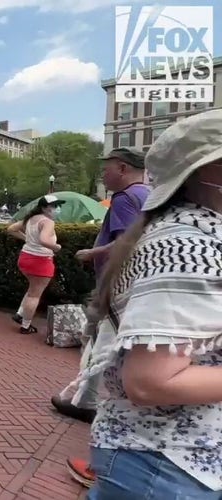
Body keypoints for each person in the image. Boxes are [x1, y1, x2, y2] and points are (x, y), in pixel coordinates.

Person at [60, 109, 222, 498]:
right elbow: (150, 379)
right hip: (169, 462)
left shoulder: (155, 218)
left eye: (108, 167)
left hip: (170, 458)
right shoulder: (186, 242)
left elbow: (122, 246)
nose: (103, 173)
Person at [52, 148, 150, 486]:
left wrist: (91, 252)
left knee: (103, 350)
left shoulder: (125, 198)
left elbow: (126, 240)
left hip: (116, 287)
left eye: (106, 169)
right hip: (132, 289)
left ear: (122, 168)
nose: (103, 176)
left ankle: (89, 408)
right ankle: (84, 399)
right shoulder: (148, 195)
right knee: (103, 348)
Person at [7, 195, 63, 335]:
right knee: (34, 295)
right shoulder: (47, 222)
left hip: (25, 258)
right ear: (44, 208)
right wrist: (56, 247)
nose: (57, 209)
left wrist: (27, 239)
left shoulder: (31, 218)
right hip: (41, 261)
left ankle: (20, 314)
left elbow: (11, 229)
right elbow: (44, 239)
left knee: (32, 289)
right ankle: (26, 326)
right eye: (54, 206)